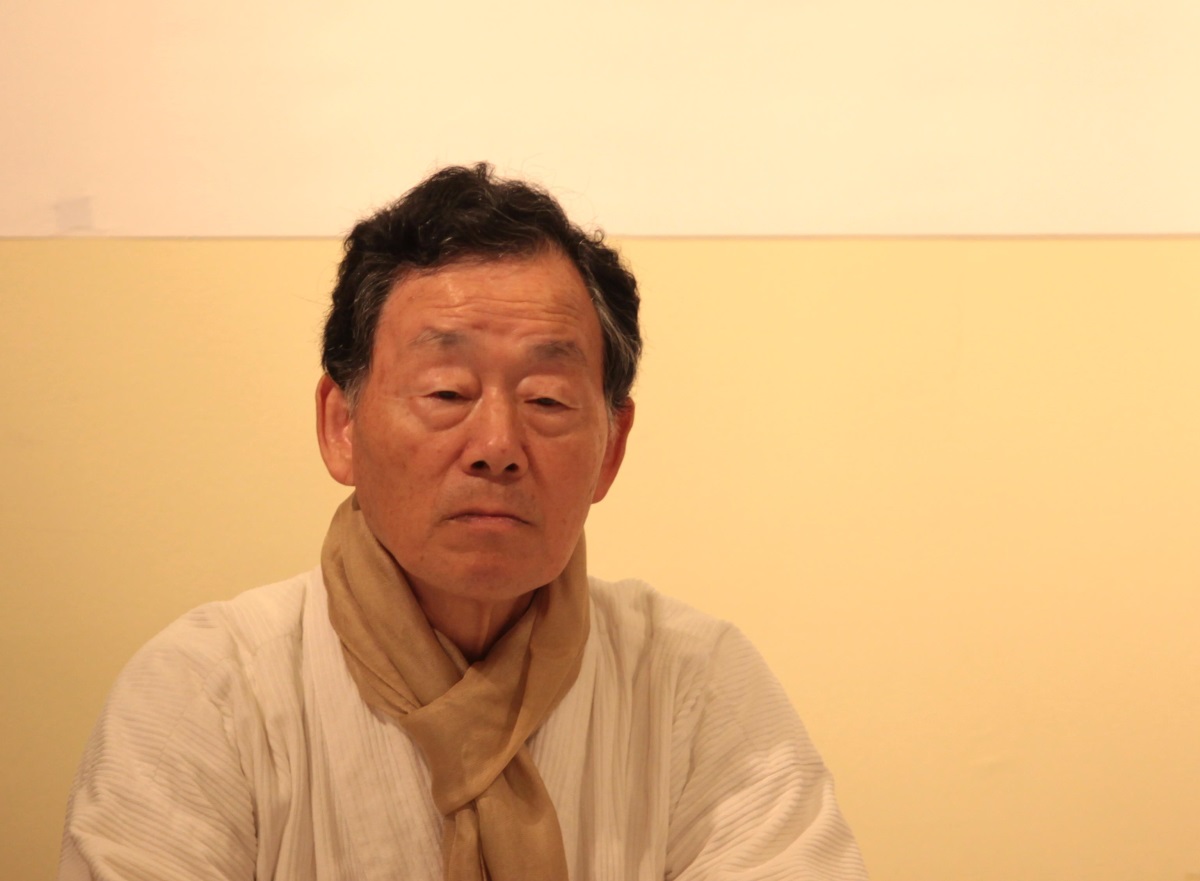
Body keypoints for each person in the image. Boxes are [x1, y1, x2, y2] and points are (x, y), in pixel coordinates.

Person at [59, 164, 868, 880]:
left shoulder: (694, 686)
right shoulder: (208, 694)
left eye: (547, 399)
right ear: (341, 424)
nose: (497, 446)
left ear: (612, 448)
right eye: (447, 391)